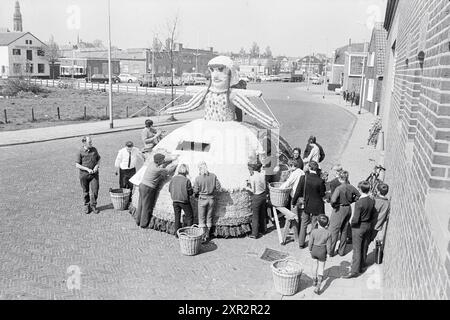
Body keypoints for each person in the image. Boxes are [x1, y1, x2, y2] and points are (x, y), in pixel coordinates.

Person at [343, 181, 376, 278]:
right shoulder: (371, 200)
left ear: (360, 189)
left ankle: (354, 271)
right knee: (364, 246)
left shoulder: (359, 203)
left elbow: (355, 219)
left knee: (357, 249)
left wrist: (352, 225)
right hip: (368, 226)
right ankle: (362, 265)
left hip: (359, 227)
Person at [135, 153, 177, 228]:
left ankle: (138, 220)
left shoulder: (152, 164)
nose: (163, 161)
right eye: (162, 160)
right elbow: (168, 170)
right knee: (147, 206)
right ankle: (143, 224)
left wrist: (172, 158)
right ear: (159, 162)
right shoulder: (157, 169)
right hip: (148, 188)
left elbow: (163, 161)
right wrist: (176, 164)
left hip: (142, 185)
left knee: (141, 204)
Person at [292, 160, 326, 248]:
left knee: (304, 224)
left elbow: (298, 191)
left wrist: (293, 201)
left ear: (310, 168)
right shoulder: (320, 181)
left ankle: (301, 243)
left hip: (306, 204)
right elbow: (322, 194)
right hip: (317, 205)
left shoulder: (304, 178)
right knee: (314, 225)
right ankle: (311, 245)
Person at [329, 170, 360, 256]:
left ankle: (331, 251)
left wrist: (334, 205)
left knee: (334, 230)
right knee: (344, 230)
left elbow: (333, 200)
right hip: (348, 208)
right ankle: (341, 251)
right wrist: (353, 200)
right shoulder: (351, 187)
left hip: (339, 209)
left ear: (340, 178)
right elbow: (358, 195)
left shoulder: (339, 188)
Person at [193, 162, 221, 242]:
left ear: (200, 169)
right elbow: (219, 187)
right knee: (209, 217)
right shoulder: (213, 176)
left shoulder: (198, 178)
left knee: (201, 219)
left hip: (202, 199)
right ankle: (207, 235)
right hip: (211, 199)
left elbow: (195, 190)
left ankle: (202, 237)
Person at [75, 136, 101, 214]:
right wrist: (87, 169)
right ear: (84, 143)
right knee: (85, 191)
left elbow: (99, 159)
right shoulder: (80, 151)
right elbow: (77, 165)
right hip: (84, 175)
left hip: (94, 175)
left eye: (91, 142)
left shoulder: (94, 149)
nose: (91, 143)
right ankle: (87, 206)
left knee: (95, 190)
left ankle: (93, 205)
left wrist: (97, 166)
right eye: (89, 142)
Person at [169, 164, 194, 237]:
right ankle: (189, 234)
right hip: (184, 201)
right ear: (186, 171)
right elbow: (190, 192)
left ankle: (177, 234)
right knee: (190, 216)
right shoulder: (187, 180)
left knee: (177, 217)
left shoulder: (173, 178)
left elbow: (169, 189)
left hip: (175, 200)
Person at [309, 214, 332, 294]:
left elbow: (310, 242)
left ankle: (314, 280)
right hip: (322, 251)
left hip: (314, 250)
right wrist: (329, 253)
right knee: (321, 267)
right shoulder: (328, 233)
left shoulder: (313, 231)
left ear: (318, 223)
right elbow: (329, 245)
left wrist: (310, 250)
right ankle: (318, 285)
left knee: (314, 265)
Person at [366, 183, 391, 257]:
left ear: (379, 192)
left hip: (370, 224)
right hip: (377, 227)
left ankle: (362, 261)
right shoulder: (387, 203)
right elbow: (386, 216)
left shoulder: (375, 201)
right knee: (368, 242)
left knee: (364, 243)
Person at [245, 162, 267, 239]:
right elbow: (264, 187)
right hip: (263, 195)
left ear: (252, 169)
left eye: (249, 169)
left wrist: (247, 188)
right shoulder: (262, 175)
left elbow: (253, 191)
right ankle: (263, 229)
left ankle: (254, 234)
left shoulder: (252, 177)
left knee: (255, 216)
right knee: (262, 213)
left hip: (257, 196)